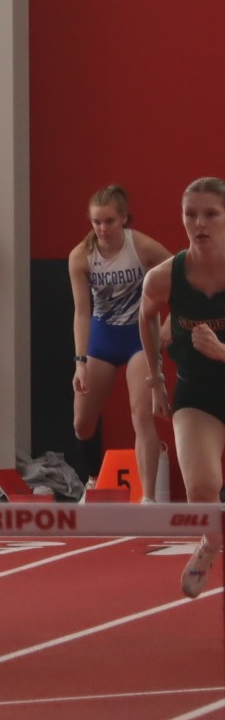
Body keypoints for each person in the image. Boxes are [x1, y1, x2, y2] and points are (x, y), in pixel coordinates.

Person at [139, 176, 225, 598]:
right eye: (191, 214)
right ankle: (209, 545)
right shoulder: (164, 277)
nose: (200, 223)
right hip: (198, 396)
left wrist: (222, 351)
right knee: (202, 488)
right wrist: (155, 378)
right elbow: (146, 314)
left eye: (211, 214)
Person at [67, 185, 172, 497]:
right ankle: (94, 478)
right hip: (102, 337)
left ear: (124, 219)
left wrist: (167, 325)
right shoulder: (80, 257)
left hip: (139, 337)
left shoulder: (141, 246)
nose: (102, 228)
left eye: (110, 221)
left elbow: (182, 275)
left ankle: (149, 498)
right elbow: (81, 312)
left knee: (140, 415)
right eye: (97, 221)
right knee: (82, 423)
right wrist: (80, 362)